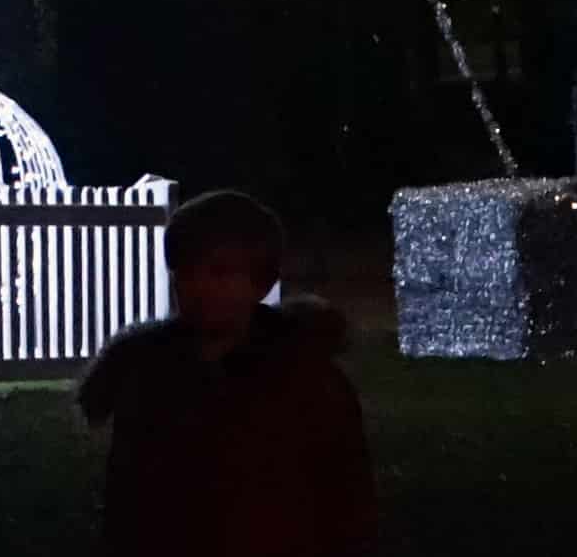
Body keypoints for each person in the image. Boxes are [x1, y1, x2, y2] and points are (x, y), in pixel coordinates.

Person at [75, 189, 373, 556]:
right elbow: (127, 499)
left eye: (219, 272)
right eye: (185, 272)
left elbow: (346, 499)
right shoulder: (148, 376)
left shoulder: (308, 379)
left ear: (261, 283)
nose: (199, 287)